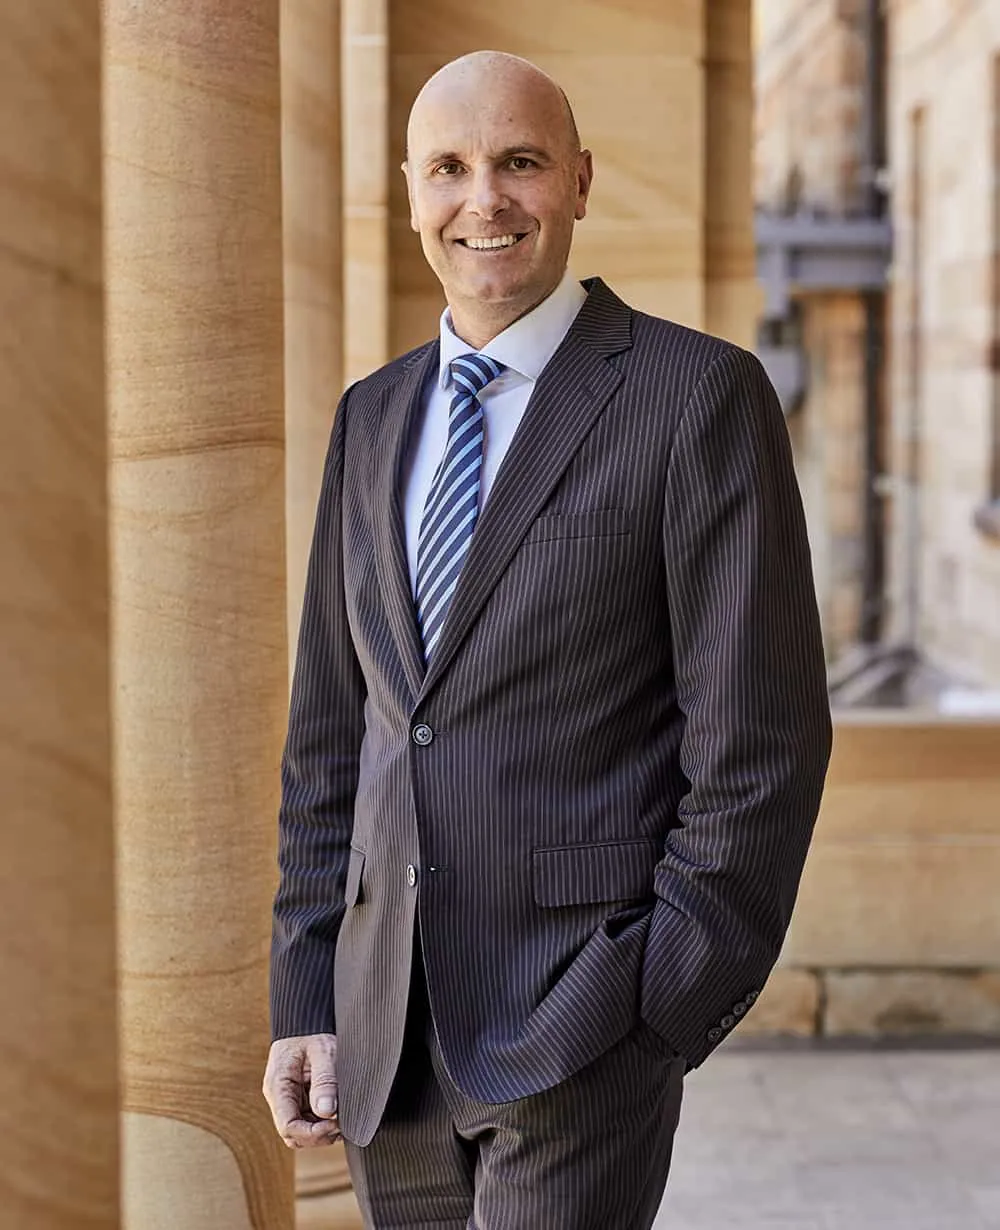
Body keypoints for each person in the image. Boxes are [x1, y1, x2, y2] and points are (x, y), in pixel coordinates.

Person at [263, 49, 832, 1230]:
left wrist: (658, 1003)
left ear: (577, 180)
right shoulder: (370, 417)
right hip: (384, 1032)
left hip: (582, 1020)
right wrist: (308, 993)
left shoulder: (696, 397)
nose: (484, 200)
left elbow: (759, 738)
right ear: (408, 194)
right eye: (449, 169)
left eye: (518, 162)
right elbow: (334, 733)